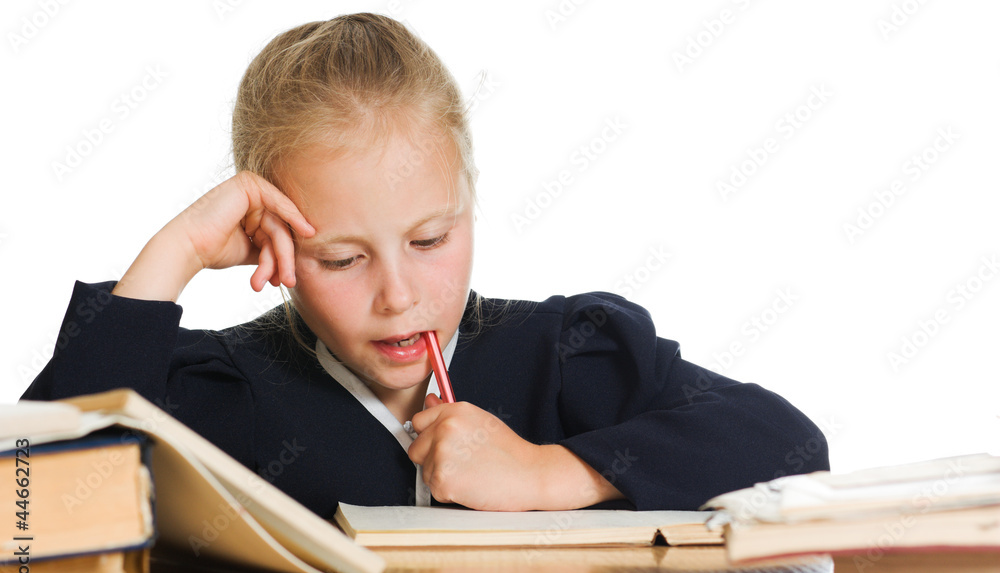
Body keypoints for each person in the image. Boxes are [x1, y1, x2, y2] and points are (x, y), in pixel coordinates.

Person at [21, 13, 828, 517]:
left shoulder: (562, 353)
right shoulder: (223, 387)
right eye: (340, 257)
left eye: (431, 240)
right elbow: (34, 500)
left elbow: (787, 443)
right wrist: (176, 254)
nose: (399, 296)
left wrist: (550, 472)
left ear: (470, 203)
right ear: (275, 240)